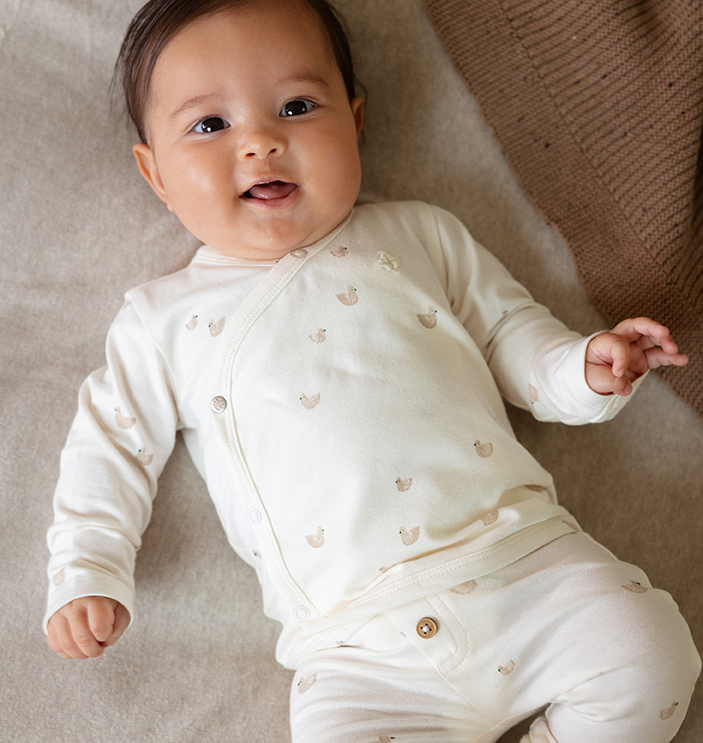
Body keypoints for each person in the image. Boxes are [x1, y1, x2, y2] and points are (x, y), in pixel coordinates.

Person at [44, 0, 700, 741]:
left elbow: (511, 336)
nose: (259, 141)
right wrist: (88, 567)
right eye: (210, 124)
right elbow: (110, 445)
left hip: (527, 566)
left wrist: (583, 369)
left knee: (652, 652)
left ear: (354, 122)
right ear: (155, 173)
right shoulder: (160, 321)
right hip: (357, 649)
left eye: (296, 107)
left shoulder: (421, 234)